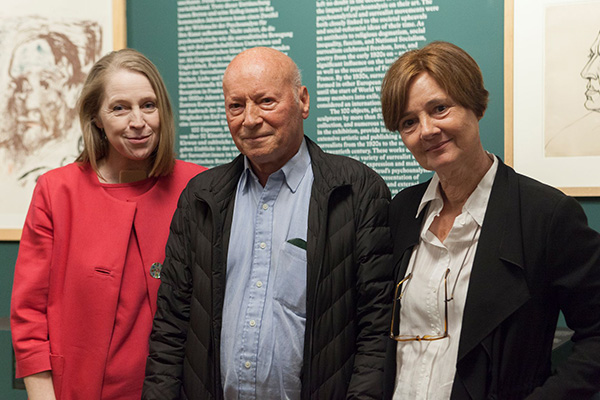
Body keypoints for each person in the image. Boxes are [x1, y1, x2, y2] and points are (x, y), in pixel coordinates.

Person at [143, 47, 392, 399]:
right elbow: (171, 326)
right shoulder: (201, 199)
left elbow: (377, 327)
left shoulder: (356, 192)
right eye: (236, 106)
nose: (250, 119)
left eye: (266, 101)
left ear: (302, 101)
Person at [380, 41, 600, 399]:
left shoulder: (545, 215)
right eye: (408, 122)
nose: (427, 130)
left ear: (475, 106)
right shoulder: (403, 212)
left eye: (439, 108)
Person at [10, 48, 206, 400]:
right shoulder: (57, 191)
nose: (138, 121)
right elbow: (28, 315)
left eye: (148, 105)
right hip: (80, 389)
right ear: (96, 118)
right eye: (120, 108)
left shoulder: (198, 186)